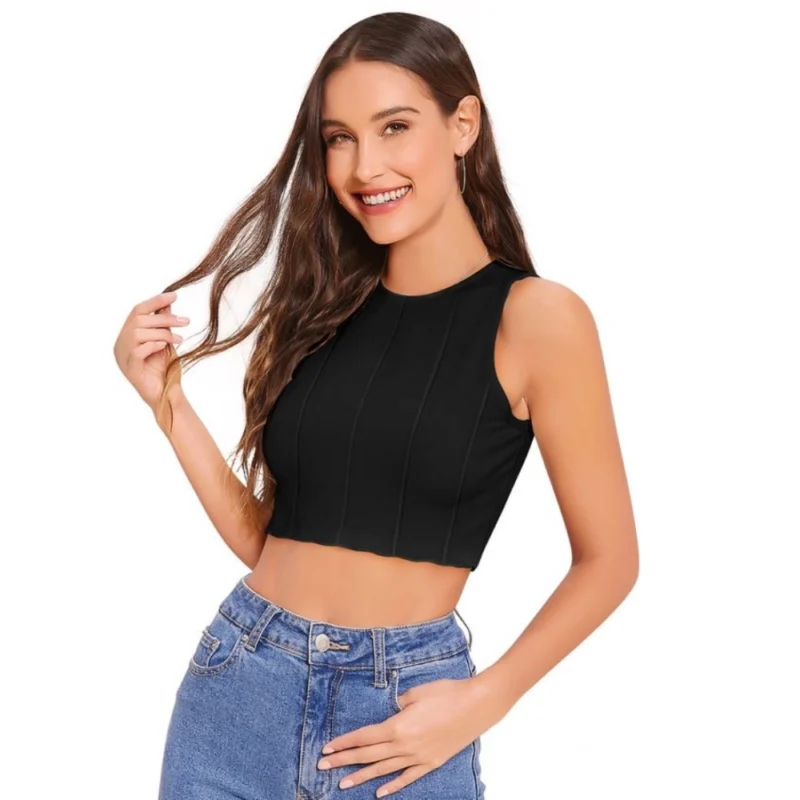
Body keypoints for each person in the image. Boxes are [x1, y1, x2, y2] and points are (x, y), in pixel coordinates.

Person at [113, 11, 638, 800]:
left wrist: (484, 698)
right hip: (239, 690)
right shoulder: (322, 311)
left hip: (402, 719)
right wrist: (168, 404)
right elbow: (268, 542)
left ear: (463, 125)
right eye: (340, 138)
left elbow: (610, 561)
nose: (365, 166)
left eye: (395, 127)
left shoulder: (538, 319)